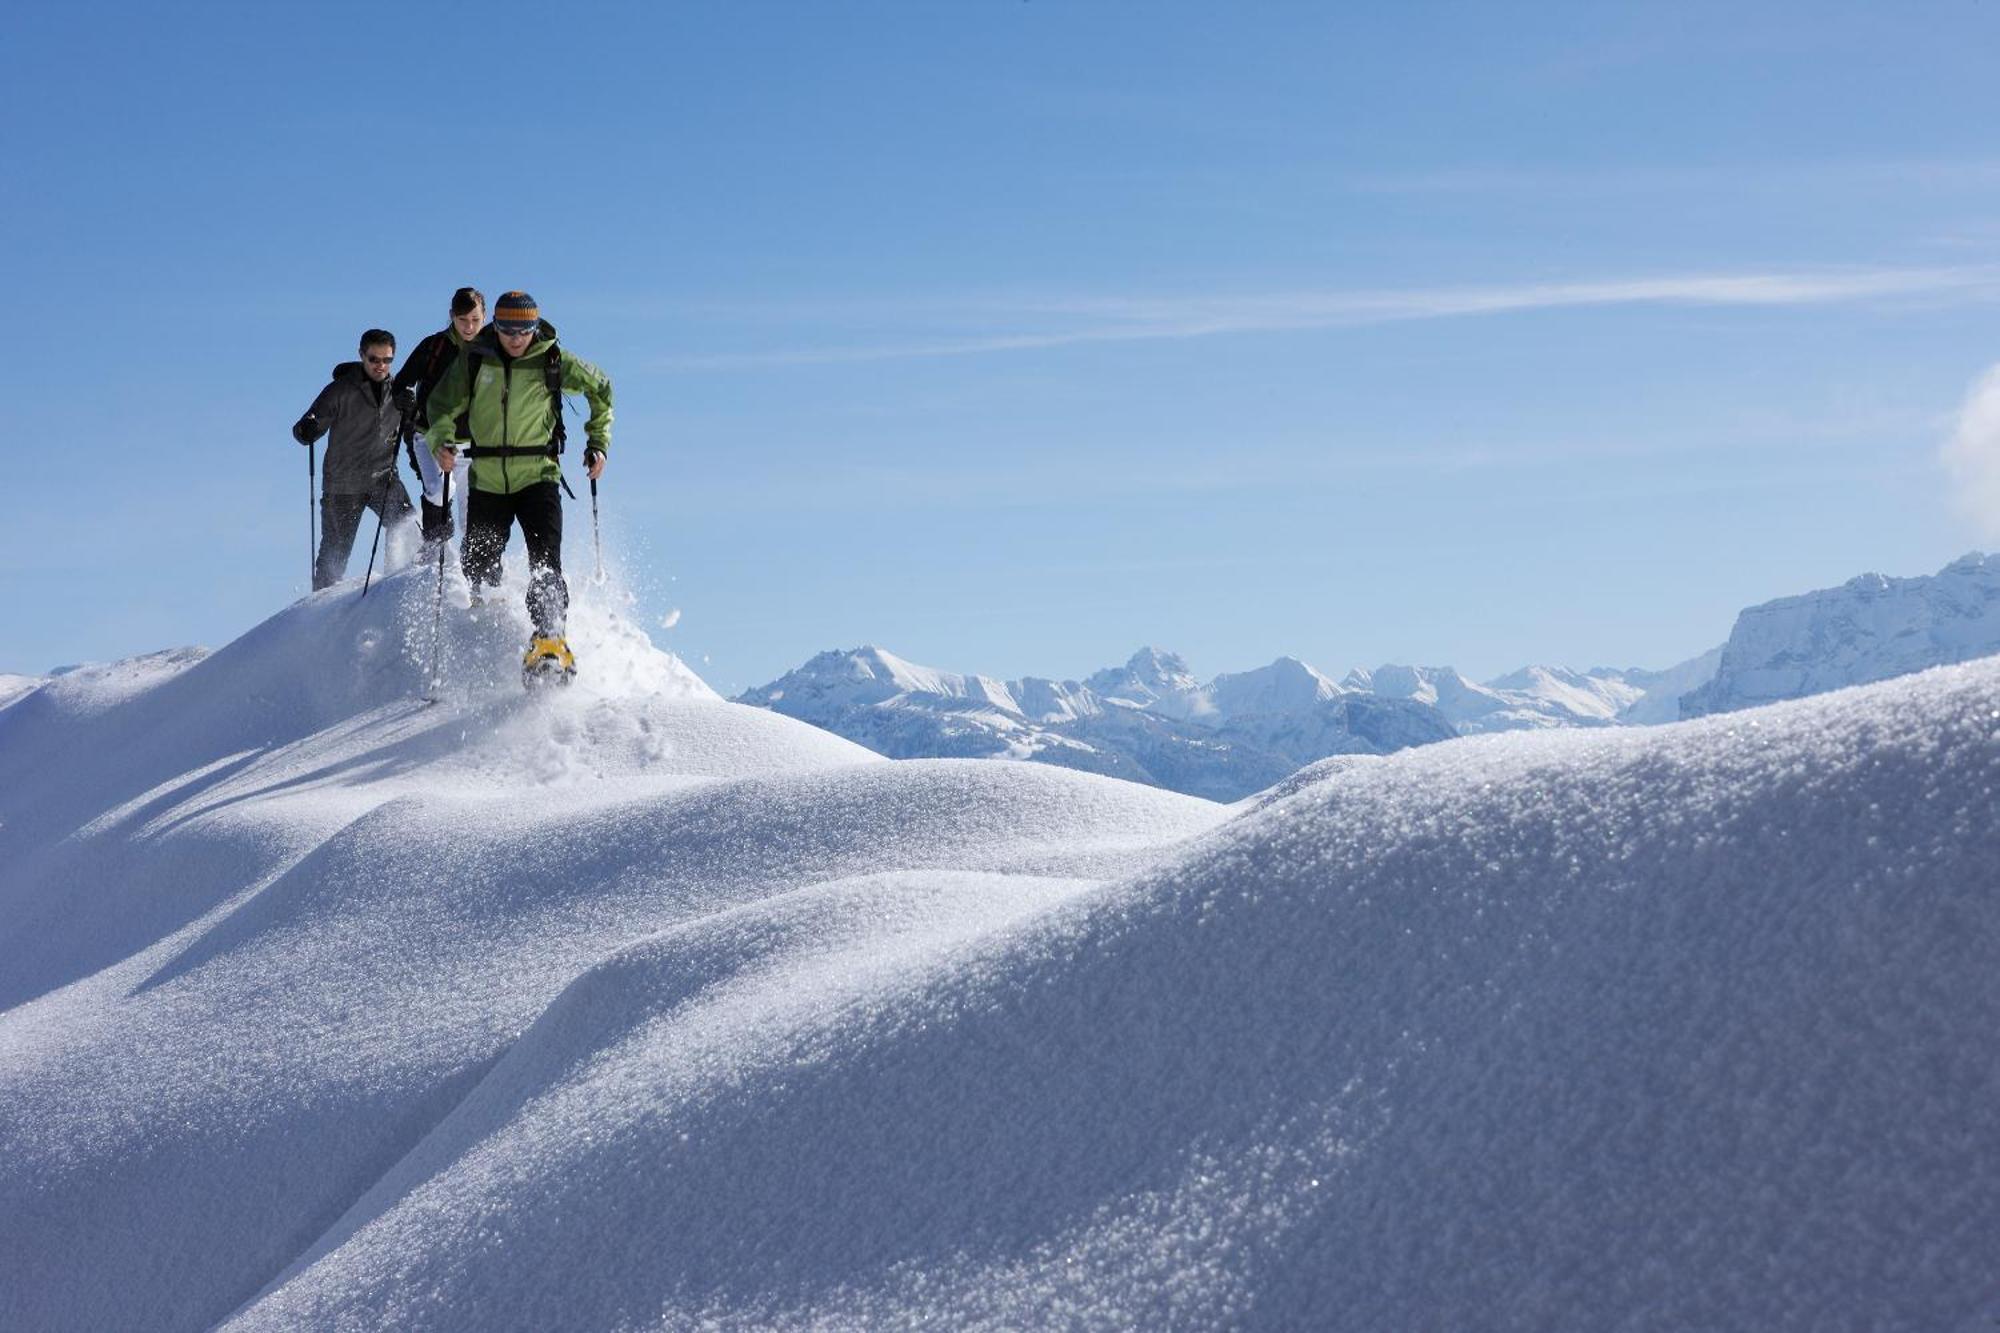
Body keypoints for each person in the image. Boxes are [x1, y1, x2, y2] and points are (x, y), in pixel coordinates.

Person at [423, 291, 612, 680]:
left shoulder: (552, 358)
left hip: (538, 476)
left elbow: (601, 389)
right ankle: (488, 638)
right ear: (497, 324)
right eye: (507, 328)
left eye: (523, 329)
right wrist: (441, 440)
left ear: (534, 326)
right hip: (488, 478)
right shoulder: (476, 357)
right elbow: (440, 405)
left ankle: (550, 642)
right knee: (479, 563)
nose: (515, 337)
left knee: (545, 561)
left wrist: (597, 443)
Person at [293, 329, 417, 590]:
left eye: (387, 360)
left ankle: (398, 587)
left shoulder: (399, 392)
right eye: (374, 359)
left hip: (384, 479)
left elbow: (414, 435)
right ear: (362, 355)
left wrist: (412, 410)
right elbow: (308, 425)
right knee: (333, 556)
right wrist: (307, 429)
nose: (380, 365)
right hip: (343, 486)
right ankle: (318, 612)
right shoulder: (340, 390)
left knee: (410, 530)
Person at [392, 287, 486, 548]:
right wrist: (405, 396)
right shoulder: (434, 346)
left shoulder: (491, 351)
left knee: (473, 515)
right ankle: (433, 550)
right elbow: (401, 382)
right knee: (438, 490)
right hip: (429, 435)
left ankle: (476, 575)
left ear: (485, 316)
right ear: (451, 316)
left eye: (475, 320)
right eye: (462, 320)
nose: (469, 327)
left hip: (473, 445)